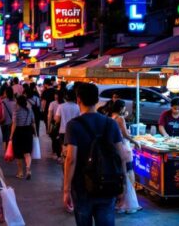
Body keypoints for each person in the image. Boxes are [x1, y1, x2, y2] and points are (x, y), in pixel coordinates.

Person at [63, 83, 126, 226]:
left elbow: (71, 159)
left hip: (82, 186)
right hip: (108, 184)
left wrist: (66, 190)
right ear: (97, 100)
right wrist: (123, 187)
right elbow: (121, 156)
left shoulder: (74, 125)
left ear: (78, 99)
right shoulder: (111, 123)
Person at [110, 100, 142, 214]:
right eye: (124, 107)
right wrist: (135, 141)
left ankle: (120, 202)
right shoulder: (120, 119)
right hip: (124, 147)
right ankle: (129, 203)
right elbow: (125, 134)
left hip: (117, 148)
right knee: (128, 172)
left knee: (121, 174)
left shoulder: (112, 117)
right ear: (121, 108)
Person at [10, 95, 35, 180]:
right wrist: (35, 133)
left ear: (18, 102)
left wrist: (11, 135)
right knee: (27, 152)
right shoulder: (29, 109)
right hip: (28, 131)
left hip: (18, 132)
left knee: (18, 153)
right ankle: (28, 169)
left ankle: (20, 172)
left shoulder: (16, 110)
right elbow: (33, 121)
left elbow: (14, 124)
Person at [54, 90, 80, 164]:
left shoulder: (61, 106)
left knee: (64, 147)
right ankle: (70, 161)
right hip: (75, 131)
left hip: (63, 130)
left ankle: (65, 161)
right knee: (72, 148)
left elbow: (57, 119)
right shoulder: (78, 107)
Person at [48, 91, 64, 160]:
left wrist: (48, 126)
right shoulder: (65, 103)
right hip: (63, 123)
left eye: (56, 94)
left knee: (54, 138)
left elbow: (49, 116)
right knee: (61, 139)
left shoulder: (52, 103)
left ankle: (55, 153)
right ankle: (60, 154)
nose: (55, 96)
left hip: (55, 123)